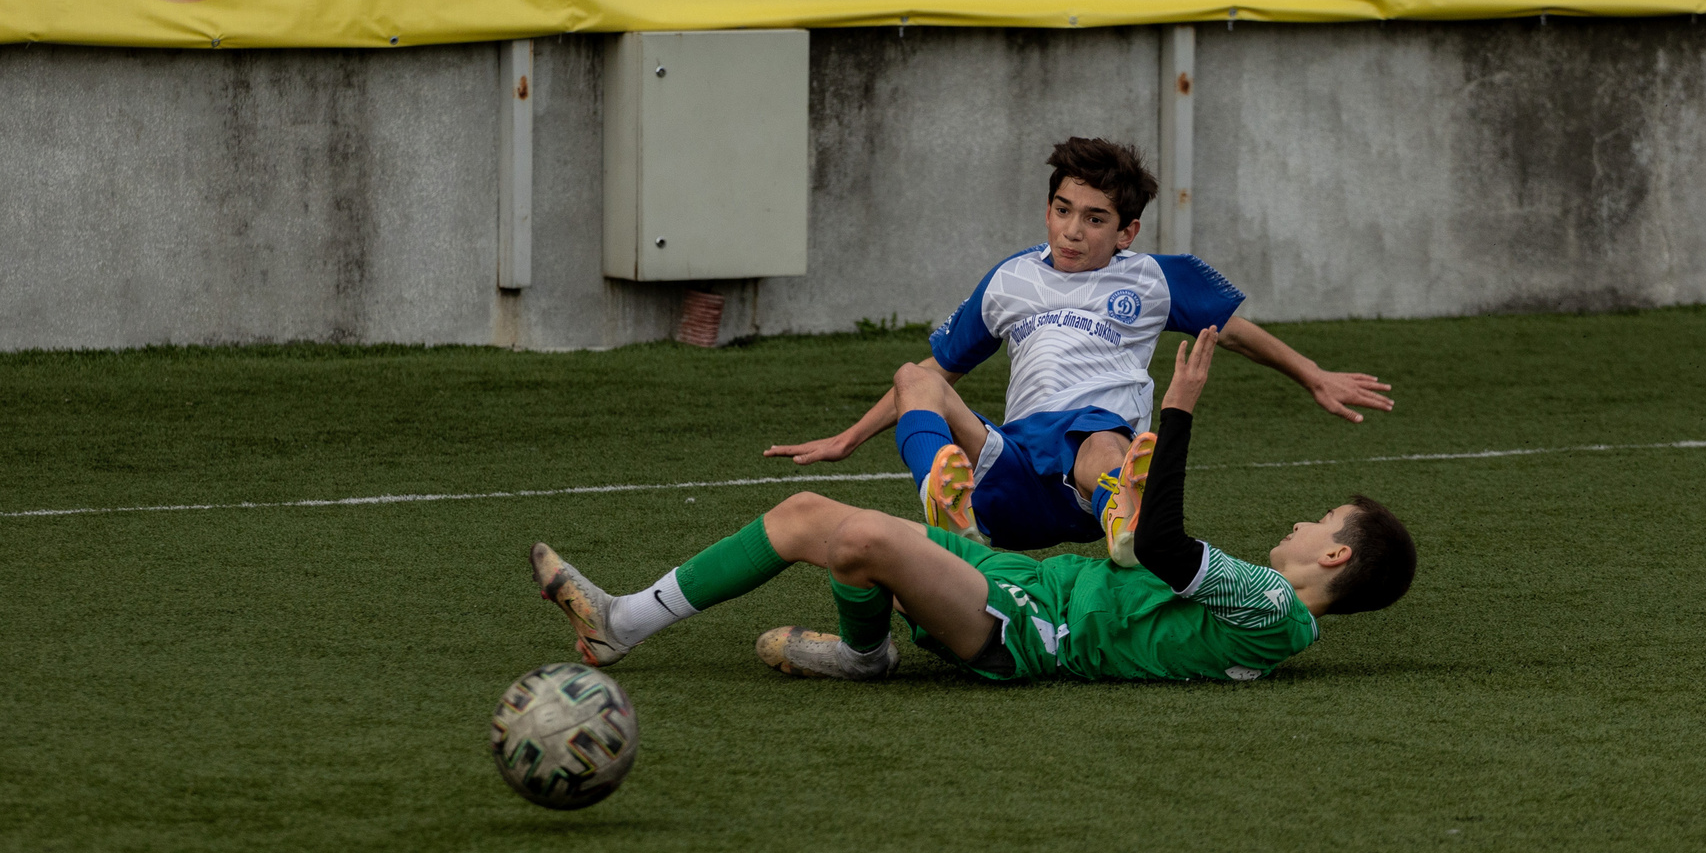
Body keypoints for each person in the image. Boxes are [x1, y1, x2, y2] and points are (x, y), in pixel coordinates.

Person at [531, 326, 1417, 684]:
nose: (1301, 524)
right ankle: (624, 621)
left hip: (1034, 631)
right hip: (1033, 584)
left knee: (862, 538)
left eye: (1319, 523)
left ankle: (870, 647)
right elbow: (1155, 557)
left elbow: (1167, 549)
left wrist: (1178, 411)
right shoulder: (1260, 603)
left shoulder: (1275, 608)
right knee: (808, 514)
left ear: (1335, 556)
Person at [761, 136, 1392, 568]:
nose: (1072, 229)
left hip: (1088, 473)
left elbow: (1233, 330)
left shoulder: (1154, 277)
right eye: (1063, 210)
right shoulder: (1010, 279)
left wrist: (1312, 375)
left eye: (1094, 219)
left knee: (1099, 436)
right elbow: (935, 372)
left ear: (1126, 232)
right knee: (912, 377)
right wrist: (848, 438)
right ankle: (949, 506)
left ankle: (1124, 514)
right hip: (1009, 468)